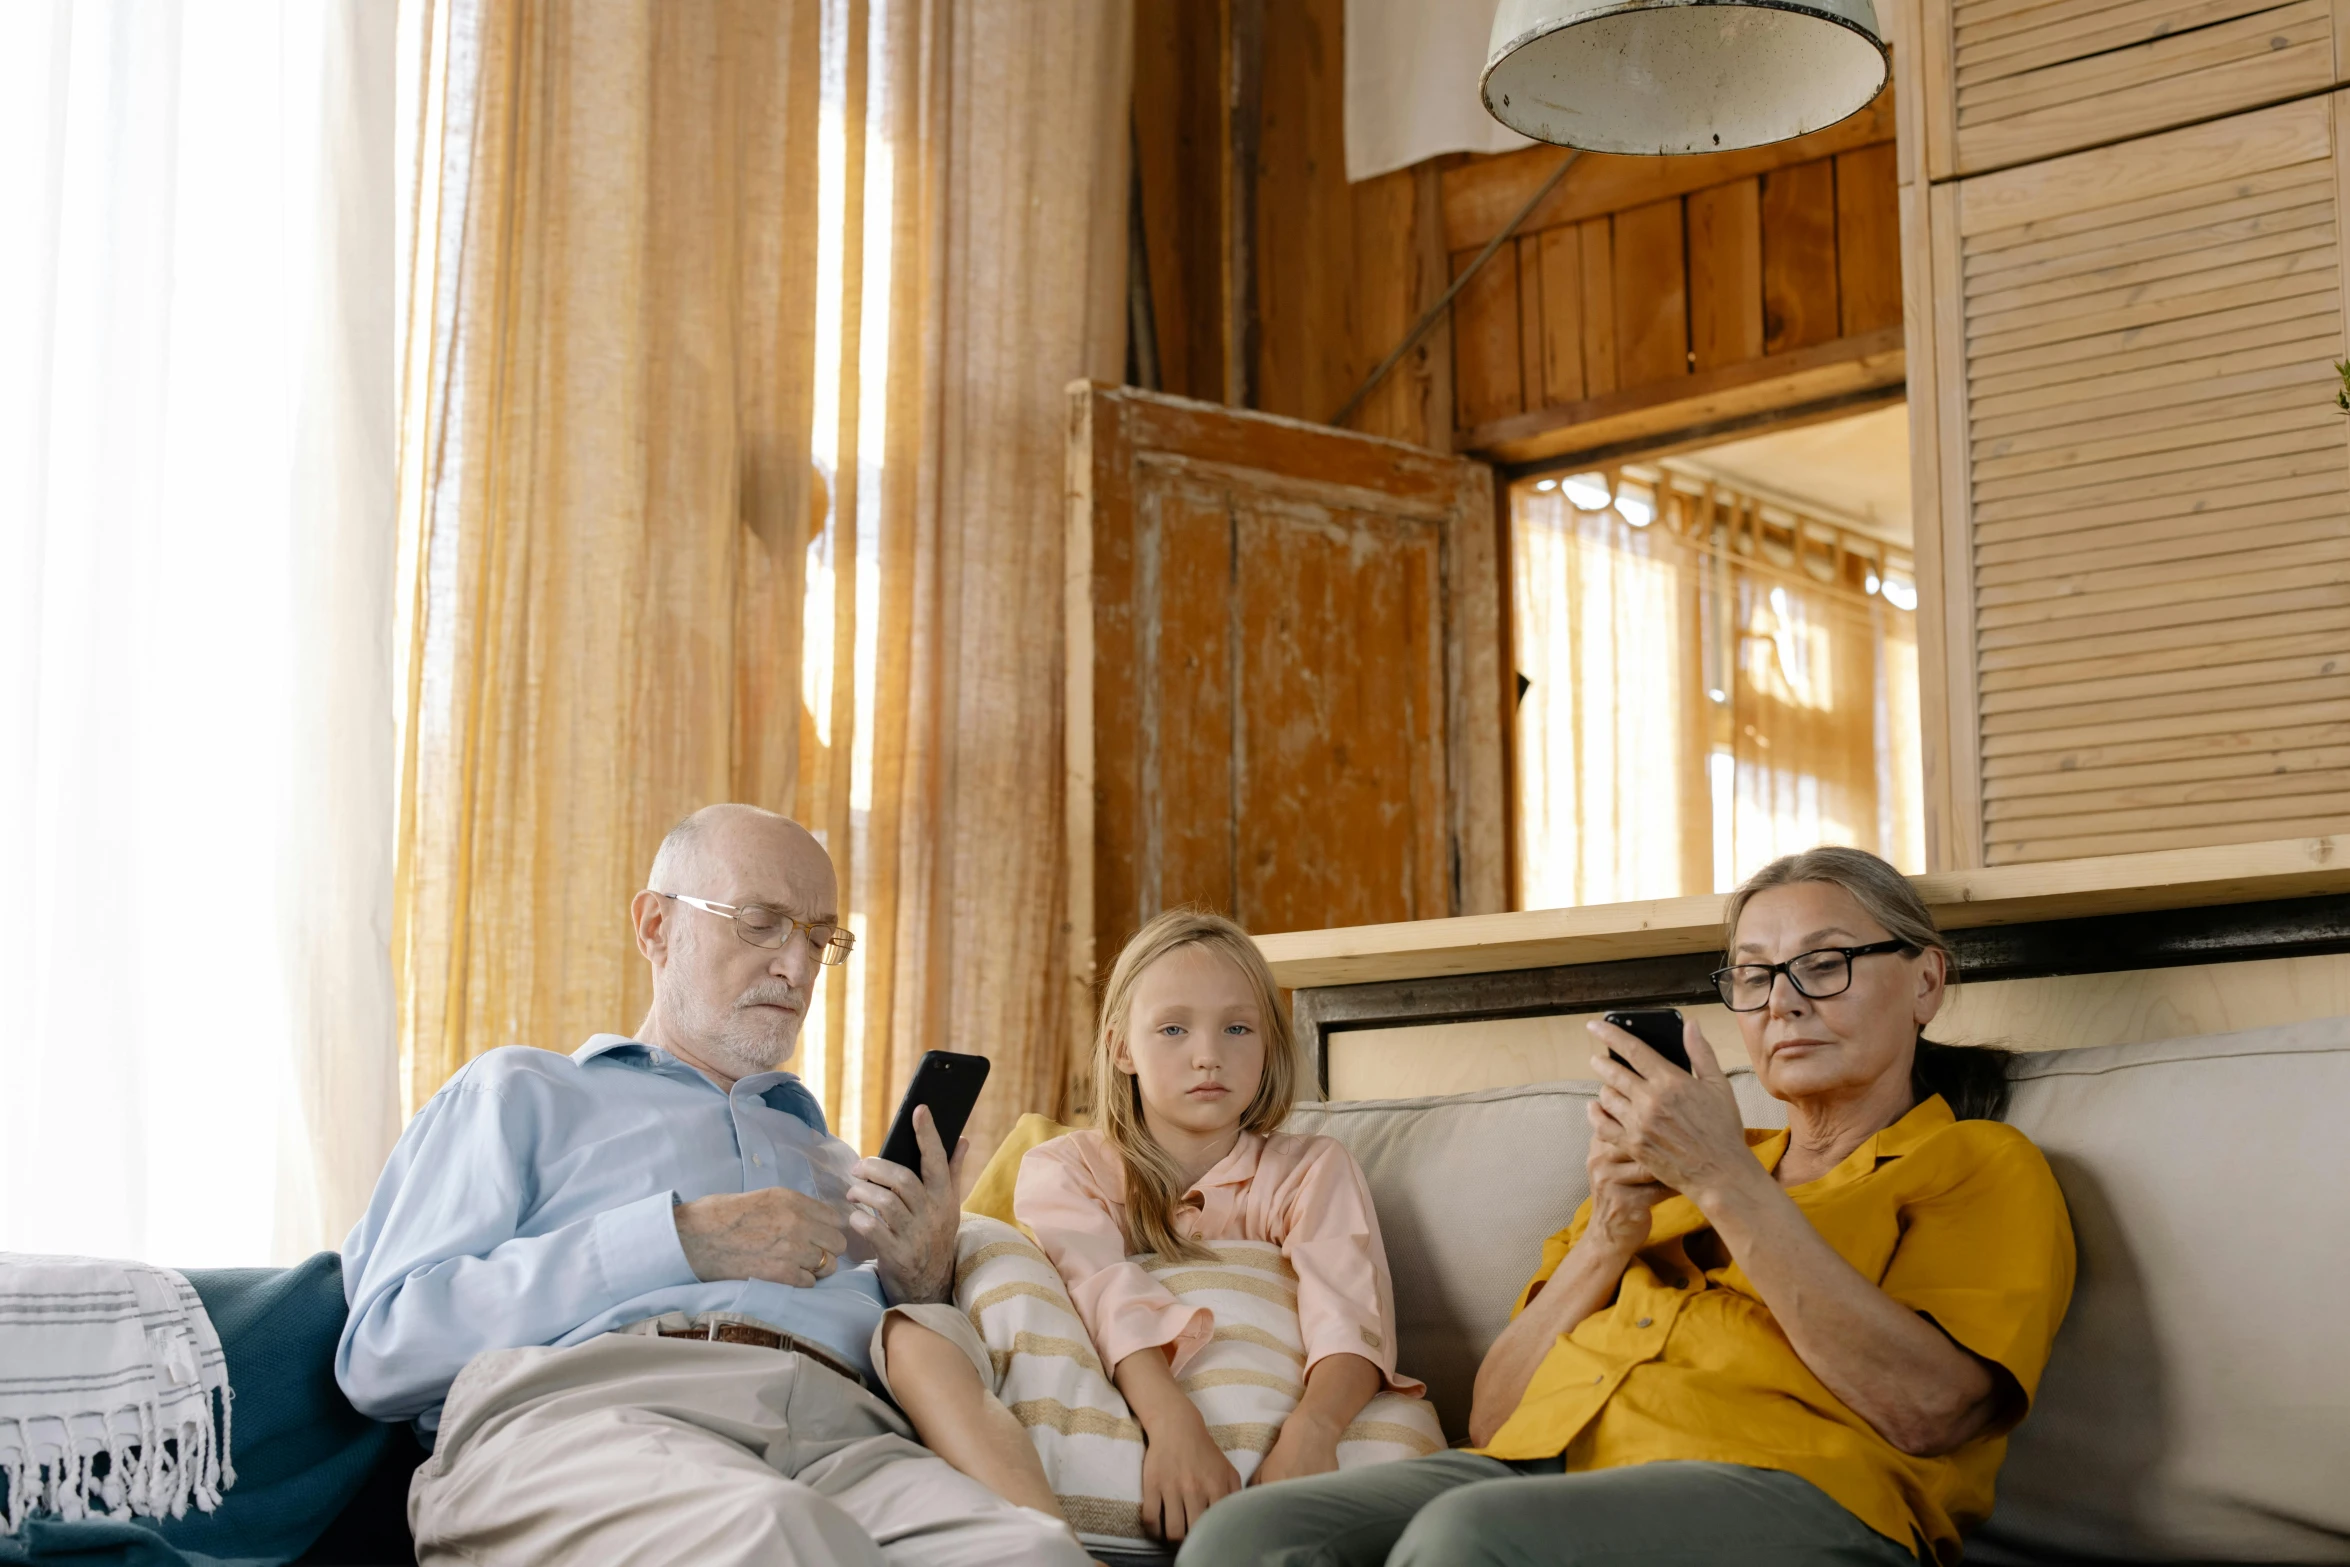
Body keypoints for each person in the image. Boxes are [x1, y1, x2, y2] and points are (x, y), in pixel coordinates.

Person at [1180, 846, 2077, 1567]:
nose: (1784, 1003)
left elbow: (1934, 1410)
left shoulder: (1978, 1163)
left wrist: (1728, 1183)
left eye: (1826, 965)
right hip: (1538, 1466)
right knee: (1247, 1537)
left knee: (1472, 1539)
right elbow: (1493, 1419)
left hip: (1800, 1490)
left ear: (1925, 981)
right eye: (1755, 975)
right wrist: (1610, 1233)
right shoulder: (1675, 1163)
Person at [335, 804, 1090, 1567]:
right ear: (655, 927)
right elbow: (383, 1352)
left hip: (849, 1441)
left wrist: (920, 1275)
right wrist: (681, 1237)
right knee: (776, 1535)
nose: (797, 968)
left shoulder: (837, 1163)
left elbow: (931, 1374)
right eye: (762, 921)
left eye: (820, 937)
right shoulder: (521, 1092)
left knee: (1037, 1555)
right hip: (597, 1416)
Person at [878, 910, 1433, 1547]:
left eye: (1238, 1028)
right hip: (1139, 1420)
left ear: (1269, 1045)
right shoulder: (1064, 1169)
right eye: (1173, 1028)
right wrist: (1175, 1428)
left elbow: (1350, 1315)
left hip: (1296, 1438)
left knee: (1407, 1441)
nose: (1208, 1056)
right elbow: (1098, 1292)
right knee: (989, 1251)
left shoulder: (1312, 1168)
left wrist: (1311, 1436)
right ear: (1121, 1047)